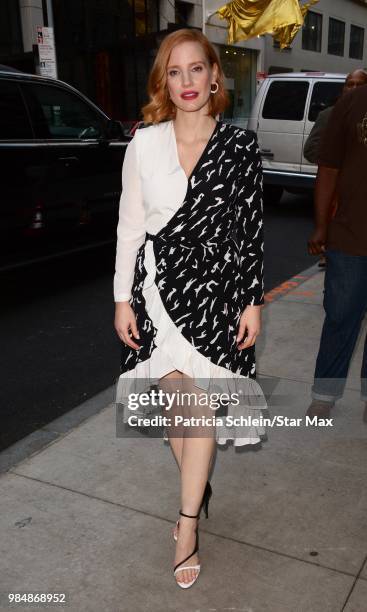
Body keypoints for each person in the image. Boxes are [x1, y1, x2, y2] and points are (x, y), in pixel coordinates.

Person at [113, 28, 266, 588]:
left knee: (188, 411)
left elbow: (249, 233)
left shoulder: (240, 147)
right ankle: (190, 515)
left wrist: (254, 301)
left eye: (195, 69)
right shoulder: (144, 143)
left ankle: (187, 514)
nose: (186, 82)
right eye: (173, 72)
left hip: (217, 294)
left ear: (214, 75)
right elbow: (130, 229)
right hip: (158, 288)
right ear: (163, 82)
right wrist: (120, 298)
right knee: (183, 400)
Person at [307, 82, 367, 424]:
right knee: (340, 316)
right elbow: (327, 168)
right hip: (349, 236)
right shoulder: (352, 103)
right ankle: (324, 396)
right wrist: (320, 226)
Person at [304, 69, 367, 267]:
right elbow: (316, 153)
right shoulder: (330, 114)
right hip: (340, 207)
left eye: (359, 84)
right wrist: (338, 162)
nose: (354, 88)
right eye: (350, 84)